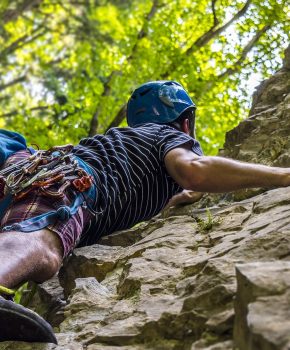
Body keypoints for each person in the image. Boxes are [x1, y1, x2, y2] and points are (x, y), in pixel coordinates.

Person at [0, 80, 289, 343]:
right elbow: (193, 170)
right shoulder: (167, 135)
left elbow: (178, 193)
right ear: (185, 124)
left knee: (35, 245)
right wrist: (282, 177)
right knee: (43, 245)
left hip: (24, 177)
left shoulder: (130, 153)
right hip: (67, 181)